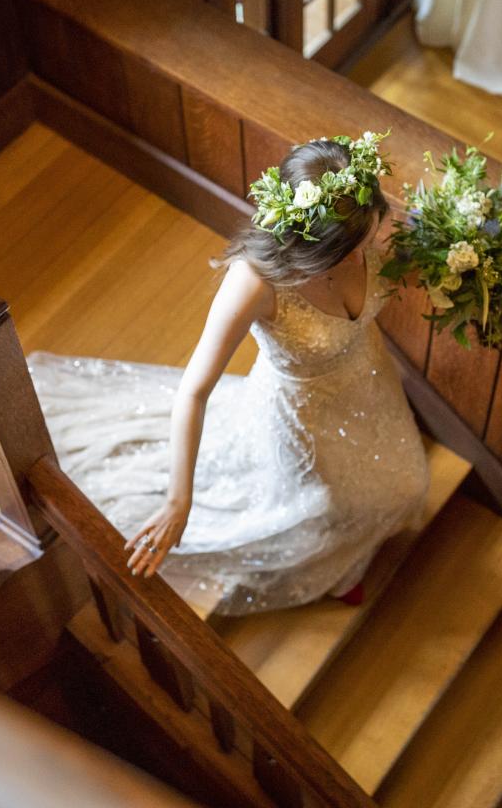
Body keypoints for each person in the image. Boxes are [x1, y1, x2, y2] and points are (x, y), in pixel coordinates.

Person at [27, 132, 430, 615]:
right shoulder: (255, 283)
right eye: (345, 250)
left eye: (366, 240)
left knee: (399, 476)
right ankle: (334, 568)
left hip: (371, 381)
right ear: (305, 245)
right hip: (305, 417)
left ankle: (355, 546)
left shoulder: (364, 227)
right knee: (329, 502)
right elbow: (194, 392)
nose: (361, 254)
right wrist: (180, 499)